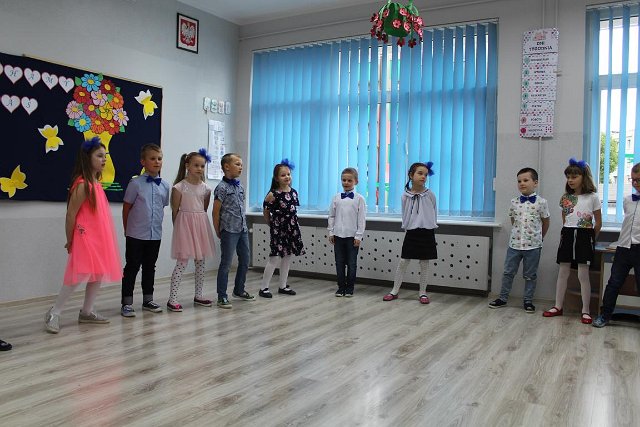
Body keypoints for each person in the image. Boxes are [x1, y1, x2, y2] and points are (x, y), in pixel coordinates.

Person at [44, 137, 122, 333]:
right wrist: (69, 239)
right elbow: (71, 214)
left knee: (98, 273)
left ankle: (87, 311)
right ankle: (55, 312)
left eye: (105, 156)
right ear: (88, 158)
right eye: (99, 156)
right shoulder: (82, 184)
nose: (104, 159)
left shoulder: (96, 183)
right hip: (84, 235)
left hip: (99, 236)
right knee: (77, 274)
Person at [543, 158, 601, 324]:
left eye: (574, 177)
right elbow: (565, 220)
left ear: (584, 177)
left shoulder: (592, 197)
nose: (570, 180)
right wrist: (568, 234)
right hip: (568, 234)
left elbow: (598, 223)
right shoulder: (565, 198)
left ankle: (585, 310)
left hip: (585, 236)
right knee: (563, 272)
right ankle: (558, 306)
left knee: (583, 274)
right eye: (568, 177)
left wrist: (590, 240)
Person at [489, 167, 550, 312]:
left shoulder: (541, 202)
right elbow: (513, 220)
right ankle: (503, 298)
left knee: (530, 275)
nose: (522, 183)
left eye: (525, 180)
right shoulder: (514, 202)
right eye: (519, 181)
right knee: (508, 272)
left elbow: (546, 222)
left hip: (533, 246)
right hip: (514, 245)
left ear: (535, 183)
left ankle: (528, 301)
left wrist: (539, 238)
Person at [120, 143, 170, 317]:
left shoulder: (165, 186)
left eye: (159, 158)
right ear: (143, 161)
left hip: (155, 234)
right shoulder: (135, 183)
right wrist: (127, 229)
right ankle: (126, 303)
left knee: (150, 267)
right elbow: (127, 207)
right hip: (135, 234)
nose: (157, 162)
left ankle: (148, 300)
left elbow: (161, 207)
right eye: (152, 158)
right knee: (132, 267)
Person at [167, 149, 216, 312]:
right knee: (182, 262)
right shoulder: (179, 187)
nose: (200, 169)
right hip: (185, 227)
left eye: (202, 166)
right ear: (187, 165)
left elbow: (203, 208)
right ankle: (172, 299)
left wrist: (198, 220)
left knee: (200, 262)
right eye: (196, 165)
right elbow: (175, 211)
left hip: (200, 226)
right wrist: (178, 230)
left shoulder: (206, 189)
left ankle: (198, 295)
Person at [383, 162, 438, 304]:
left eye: (425, 174)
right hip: (411, 232)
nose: (423, 176)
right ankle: (394, 291)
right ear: (411, 175)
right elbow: (405, 214)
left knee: (424, 263)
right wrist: (407, 228)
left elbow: (434, 212)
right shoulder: (405, 196)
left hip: (427, 232)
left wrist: (430, 227)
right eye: (420, 173)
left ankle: (422, 293)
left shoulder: (430, 194)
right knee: (403, 261)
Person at [593, 163, 640, 327]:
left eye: (639, 180)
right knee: (614, 283)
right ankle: (604, 316)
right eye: (633, 180)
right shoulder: (628, 200)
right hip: (623, 248)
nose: (635, 183)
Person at [258, 159, 305, 298]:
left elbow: (293, 211)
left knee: (287, 256)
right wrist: (272, 224)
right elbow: (266, 211)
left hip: (292, 228)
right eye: (283, 175)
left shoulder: (294, 192)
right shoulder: (273, 194)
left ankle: (283, 286)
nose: (287, 177)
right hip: (278, 228)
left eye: (288, 174)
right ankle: (264, 288)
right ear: (276, 178)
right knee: (275, 257)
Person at [213, 153, 255, 308]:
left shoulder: (240, 186)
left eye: (241, 164)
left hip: (242, 229)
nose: (241, 167)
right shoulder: (221, 188)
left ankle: (239, 290)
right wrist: (217, 229)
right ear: (226, 167)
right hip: (229, 230)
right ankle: (221, 296)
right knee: (226, 263)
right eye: (237, 164)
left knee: (245, 260)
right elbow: (215, 211)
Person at [328, 167, 366, 297]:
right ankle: (341, 287)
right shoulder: (336, 198)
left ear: (356, 181)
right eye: (343, 180)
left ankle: (350, 288)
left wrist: (359, 236)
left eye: (349, 180)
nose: (346, 182)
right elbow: (331, 216)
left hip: (352, 237)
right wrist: (331, 232)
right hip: (338, 236)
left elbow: (361, 219)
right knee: (339, 263)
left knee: (351, 263)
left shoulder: (359, 199)